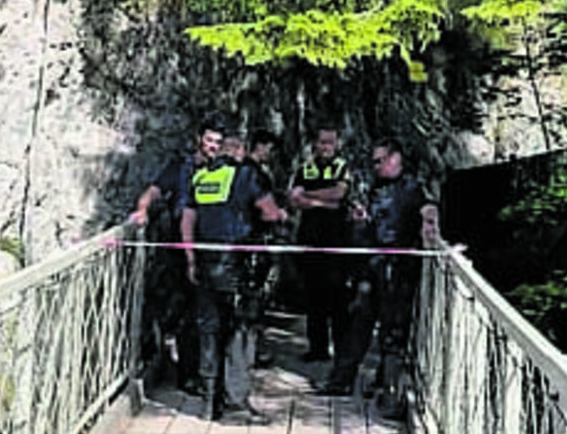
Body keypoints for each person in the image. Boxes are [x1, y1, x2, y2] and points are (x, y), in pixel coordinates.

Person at [317, 137, 439, 421]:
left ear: (395, 158)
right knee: (357, 323)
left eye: (380, 160)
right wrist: (360, 221)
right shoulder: (375, 187)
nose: (376, 166)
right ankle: (341, 380)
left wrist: (429, 221)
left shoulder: (412, 187)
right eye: (374, 161)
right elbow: (369, 224)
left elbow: (427, 207)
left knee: (393, 333)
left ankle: (389, 392)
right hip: (371, 265)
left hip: (398, 269)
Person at [180, 127, 288, 425]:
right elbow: (268, 212)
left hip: (205, 262)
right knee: (239, 333)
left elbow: (187, 221)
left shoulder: (200, 176)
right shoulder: (245, 175)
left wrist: (190, 259)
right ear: (239, 150)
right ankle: (235, 403)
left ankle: (209, 402)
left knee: (209, 331)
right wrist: (280, 215)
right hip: (237, 266)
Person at [127, 113, 226, 395]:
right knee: (183, 311)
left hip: (212, 248)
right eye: (209, 140)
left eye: (217, 142)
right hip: (178, 250)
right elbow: (154, 190)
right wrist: (142, 210)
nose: (212, 146)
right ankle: (186, 373)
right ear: (199, 139)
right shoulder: (181, 168)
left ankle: (205, 373)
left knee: (208, 313)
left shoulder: (225, 171)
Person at [288, 125, 352, 363]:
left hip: (335, 241)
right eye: (322, 142)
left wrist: (311, 197)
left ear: (337, 144)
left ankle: (342, 350)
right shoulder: (305, 168)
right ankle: (318, 349)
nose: (326, 147)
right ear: (315, 143)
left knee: (338, 298)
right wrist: (322, 201)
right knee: (313, 298)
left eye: (330, 142)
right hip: (309, 240)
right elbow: (294, 199)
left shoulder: (341, 166)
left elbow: (339, 194)